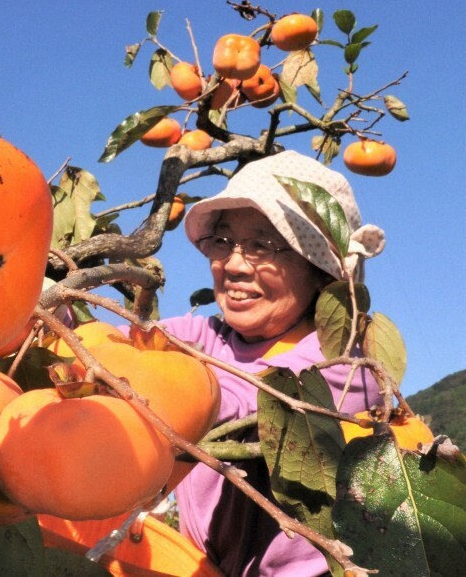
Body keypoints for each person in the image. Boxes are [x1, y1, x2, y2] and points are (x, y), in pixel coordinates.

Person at [158, 150, 385, 576]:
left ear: (319, 271)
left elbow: (245, 403)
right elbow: (125, 346)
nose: (235, 264)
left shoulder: (346, 364)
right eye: (223, 241)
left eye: (263, 245)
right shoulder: (205, 338)